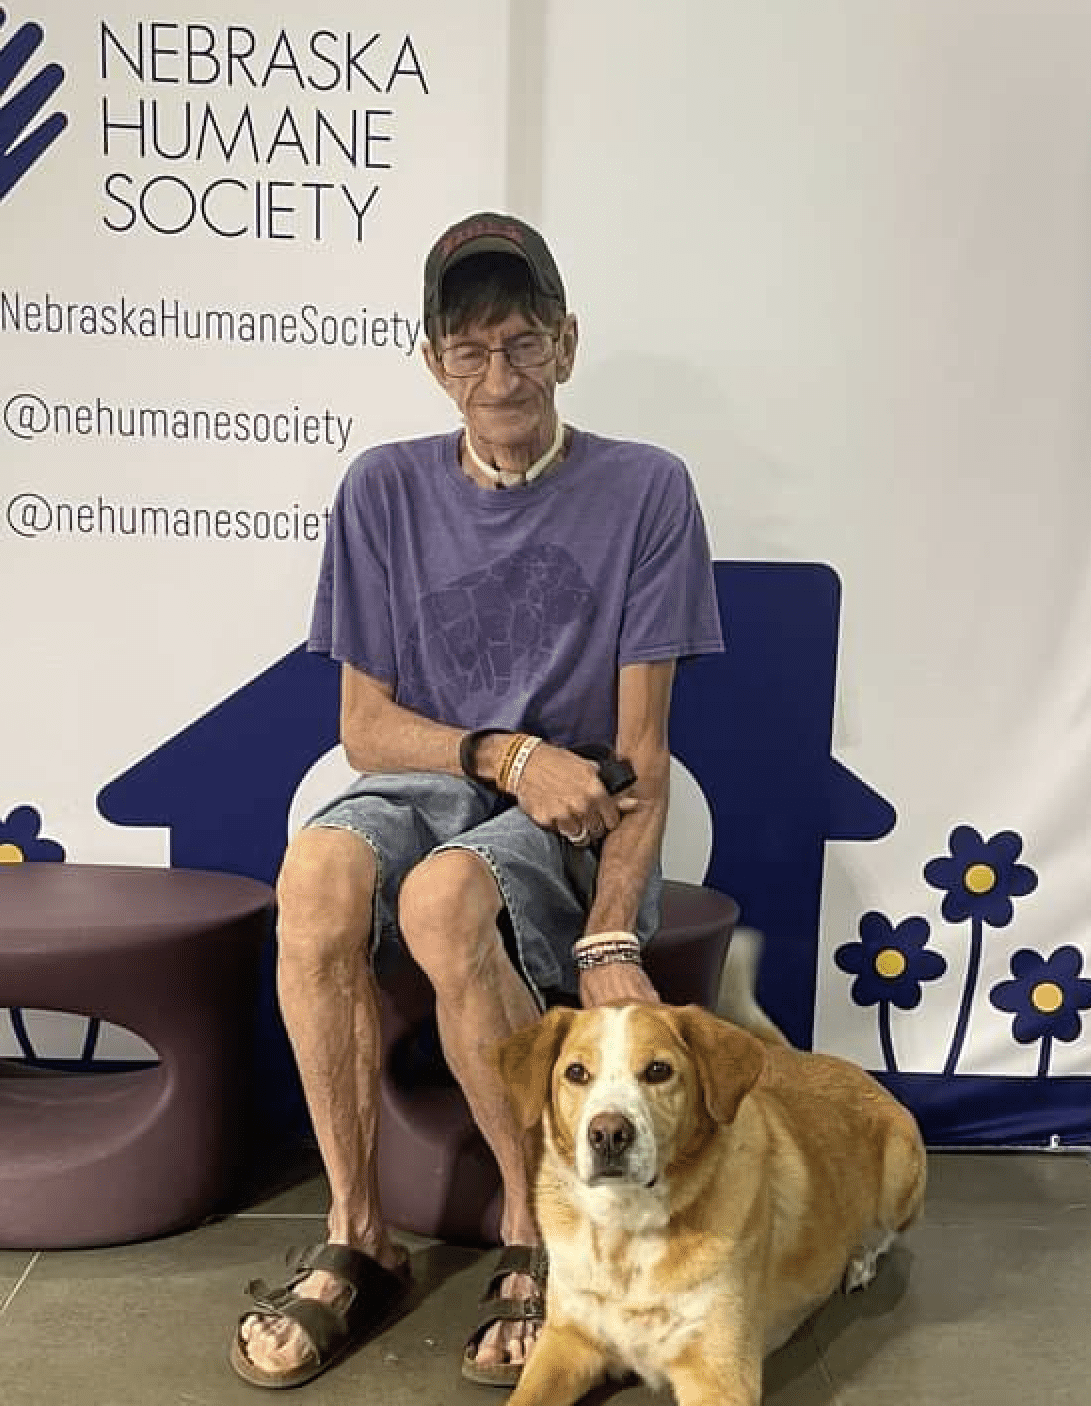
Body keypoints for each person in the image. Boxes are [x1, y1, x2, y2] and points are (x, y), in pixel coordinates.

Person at [230, 211, 724, 1390]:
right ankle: (360, 1234)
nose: (495, 374)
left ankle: (530, 1227)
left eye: (519, 342)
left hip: (578, 815)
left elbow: (642, 752)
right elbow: (365, 728)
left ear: (566, 341)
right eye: (467, 348)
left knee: (447, 898)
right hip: (451, 776)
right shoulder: (381, 490)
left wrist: (610, 927)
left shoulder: (647, 490)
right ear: (430, 360)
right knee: (313, 876)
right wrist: (503, 754)